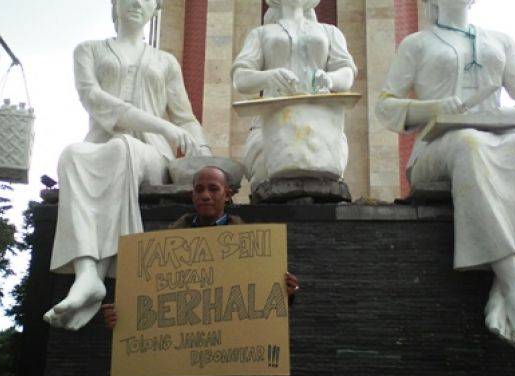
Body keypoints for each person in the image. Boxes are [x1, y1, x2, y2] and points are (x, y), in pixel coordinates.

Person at [376, 0, 515, 346]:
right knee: (468, 143)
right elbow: (386, 106)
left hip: (495, 136)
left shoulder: (500, 40)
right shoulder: (417, 43)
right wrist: (433, 107)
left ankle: (501, 290)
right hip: (436, 149)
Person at [44, 0, 212, 331]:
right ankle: (88, 272)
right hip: (100, 145)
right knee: (72, 154)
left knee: (123, 148)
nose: (137, 3)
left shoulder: (165, 61)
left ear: (156, 9)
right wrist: (162, 125)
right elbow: (93, 98)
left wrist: (205, 155)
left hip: (150, 154)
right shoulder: (88, 51)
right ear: (115, 5)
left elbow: (184, 118)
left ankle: (94, 278)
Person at [101, 166, 300, 329]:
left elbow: (261, 304)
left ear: (228, 195)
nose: (206, 195)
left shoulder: (252, 247)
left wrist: (286, 294)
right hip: (180, 360)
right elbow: (147, 298)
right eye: (199, 189)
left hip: (231, 363)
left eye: (213, 189)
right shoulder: (162, 251)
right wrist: (122, 316)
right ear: (192, 195)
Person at [232, 0, 357, 188]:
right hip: (273, 120)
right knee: (268, 176)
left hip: (320, 122)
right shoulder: (261, 33)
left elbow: (347, 73)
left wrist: (329, 79)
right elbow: (240, 78)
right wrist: (269, 77)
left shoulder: (330, 32)